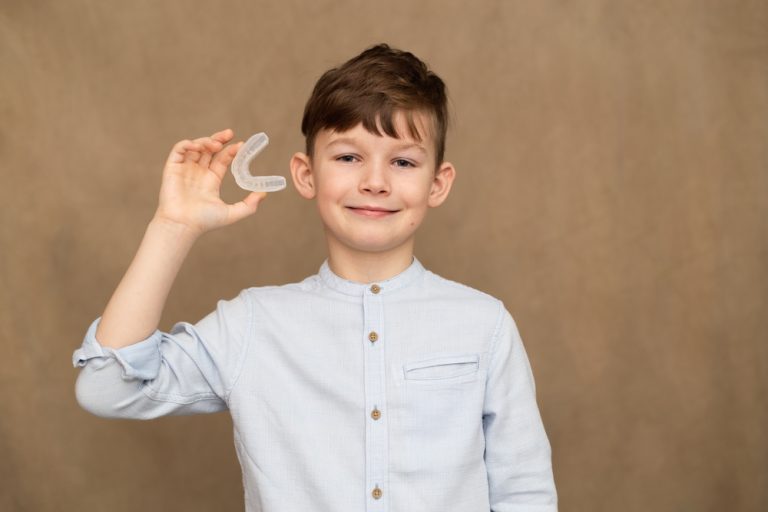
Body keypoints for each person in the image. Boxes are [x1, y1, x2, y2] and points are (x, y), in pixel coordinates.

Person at [72, 43, 558, 511]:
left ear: (438, 183)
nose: (375, 181)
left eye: (404, 161)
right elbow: (108, 387)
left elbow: (525, 494)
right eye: (348, 157)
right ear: (306, 175)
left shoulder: (483, 324)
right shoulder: (253, 324)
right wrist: (173, 228)